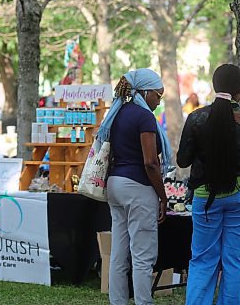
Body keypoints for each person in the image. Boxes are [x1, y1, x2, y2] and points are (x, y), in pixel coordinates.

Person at [177, 64, 240, 305]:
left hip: (206, 196)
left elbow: (183, 159)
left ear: (214, 85)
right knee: (236, 261)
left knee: (202, 259)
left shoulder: (197, 117)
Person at [98, 68, 172, 305]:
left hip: (115, 184)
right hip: (137, 186)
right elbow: (150, 163)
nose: (159, 101)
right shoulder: (144, 117)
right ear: (146, 92)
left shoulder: (118, 113)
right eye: (158, 96)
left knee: (119, 254)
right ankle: (143, 302)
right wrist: (163, 196)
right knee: (142, 256)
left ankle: (117, 301)